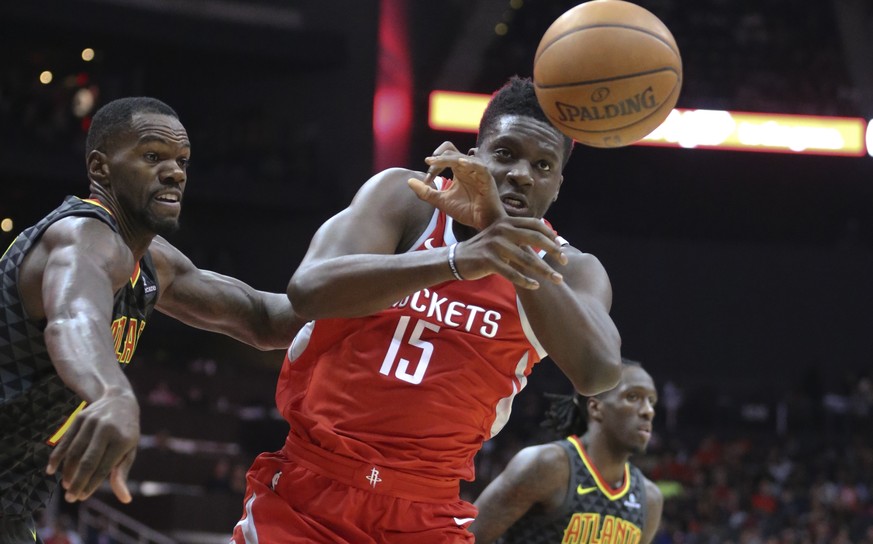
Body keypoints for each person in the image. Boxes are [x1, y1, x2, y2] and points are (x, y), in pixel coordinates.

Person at [231, 75, 623, 543]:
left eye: (542, 165)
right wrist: (455, 261)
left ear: (557, 185)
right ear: (473, 158)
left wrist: (501, 234)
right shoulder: (408, 198)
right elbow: (309, 290)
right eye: (505, 154)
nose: (522, 174)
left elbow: (597, 372)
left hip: (427, 512)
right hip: (311, 489)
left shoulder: (572, 268)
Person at [0, 97, 301, 544]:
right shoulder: (81, 236)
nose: (176, 172)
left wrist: (404, 295)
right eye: (152, 156)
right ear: (100, 168)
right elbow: (73, 319)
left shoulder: (152, 262)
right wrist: (113, 394)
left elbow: (264, 320)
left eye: (182, 160)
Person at [469, 358, 663, 544]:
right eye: (633, 397)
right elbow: (465, 538)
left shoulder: (649, 499)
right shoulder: (547, 466)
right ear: (595, 407)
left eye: (651, 401)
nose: (648, 411)